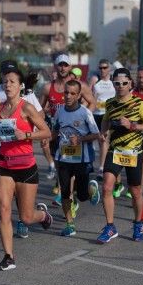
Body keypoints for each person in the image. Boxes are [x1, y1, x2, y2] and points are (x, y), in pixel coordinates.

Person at [0, 65, 52, 270]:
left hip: (26, 166)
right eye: (5, 81)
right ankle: (8, 256)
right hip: (4, 164)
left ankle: (43, 215)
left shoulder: (27, 108)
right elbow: (3, 134)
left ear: (20, 86)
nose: (8, 85)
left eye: (12, 81)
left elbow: (46, 132)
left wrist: (27, 135)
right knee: (4, 210)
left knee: (26, 217)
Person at [97, 68, 143, 243]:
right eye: (117, 83)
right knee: (106, 187)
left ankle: (138, 224)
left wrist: (133, 125)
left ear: (130, 84)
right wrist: (103, 131)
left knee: (135, 191)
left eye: (124, 83)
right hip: (115, 150)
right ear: (113, 84)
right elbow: (106, 118)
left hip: (133, 152)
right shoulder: (110, 103)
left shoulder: (139, 103)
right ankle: (110, 226)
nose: (120, 86)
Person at [40, 54, 96, 200]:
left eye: (66, 65)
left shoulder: (79, 86)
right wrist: (41, 130)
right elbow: (39, 110)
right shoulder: (47, 87)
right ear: (55, 67)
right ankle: (66, 193)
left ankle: (69, 194)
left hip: (76, 133)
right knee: (60, 164)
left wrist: (82, 116)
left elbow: (92, 102)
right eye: (60, 65)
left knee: (73, 167)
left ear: (70, 67)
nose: (63, 68)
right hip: (56, 130)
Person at [52, 80, 100, 236]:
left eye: (72, 93)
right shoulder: (59, 111)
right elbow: (54, 130)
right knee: (65, 193)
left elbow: (96, 134)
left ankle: (91, 189)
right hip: (63, 158)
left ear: (79, 95)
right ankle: (70, 224)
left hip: (81, 159)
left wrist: (80, 139)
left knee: (82, 196)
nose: (68, 96)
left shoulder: (85, 112)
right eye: (66, 92)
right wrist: (47, 138)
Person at [90, 59, 116, 181]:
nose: (102, 70)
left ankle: (101, 168)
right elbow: (90, 98)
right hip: (96, 114)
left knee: (104, 140)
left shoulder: (114, 82)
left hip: (108, 115)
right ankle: (98, 165)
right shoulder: (95, 81)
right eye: (100, 68)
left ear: (109, 69)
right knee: (98, 141)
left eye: (105, 67)